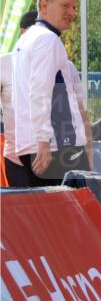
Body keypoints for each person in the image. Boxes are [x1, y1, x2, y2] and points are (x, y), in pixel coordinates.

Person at [10, 0, 92, 186]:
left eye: (74, 7)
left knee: (43, 206)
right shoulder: (47, 39)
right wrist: (44, 140)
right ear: (44, 5)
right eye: (65, 6)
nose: (72, 12)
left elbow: (25, 94)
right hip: (57, 146)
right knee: (75, 205)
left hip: (34, 145)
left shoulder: (24, 41)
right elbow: (40, 91)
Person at [1, 11, 38, 187]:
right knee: (24, 203)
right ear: (23, 32)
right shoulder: (4, 64)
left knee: (48, 205)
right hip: (16, 158)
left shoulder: (58, 66)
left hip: (50, 157)